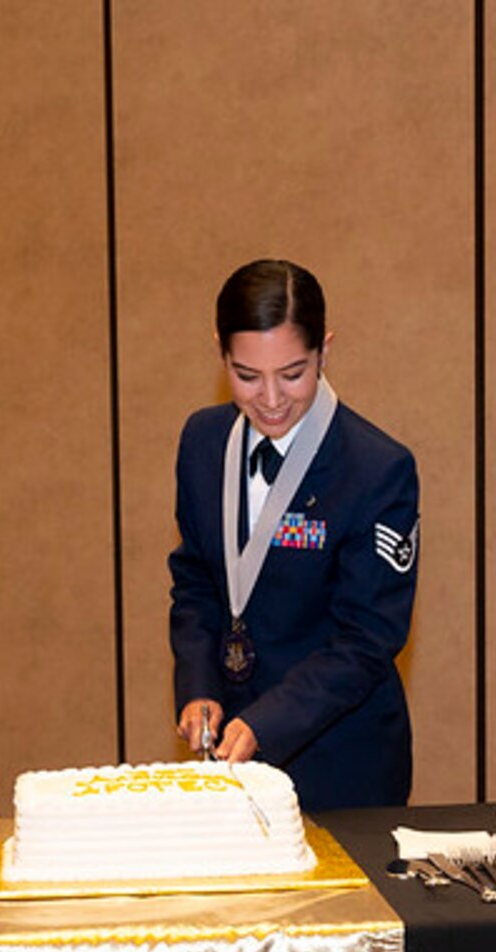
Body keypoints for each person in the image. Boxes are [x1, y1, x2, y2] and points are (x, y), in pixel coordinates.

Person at [169, 259, 420, 811]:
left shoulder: (377, 468)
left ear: (324, 351)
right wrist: (199, 685)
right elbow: (197, 582)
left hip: (342, 761)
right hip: (230, 755)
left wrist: (265, 724)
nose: (272, 399)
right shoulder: (203, 443)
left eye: (293, 373)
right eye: (247, 376)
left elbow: (366, 640)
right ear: (220, 353)